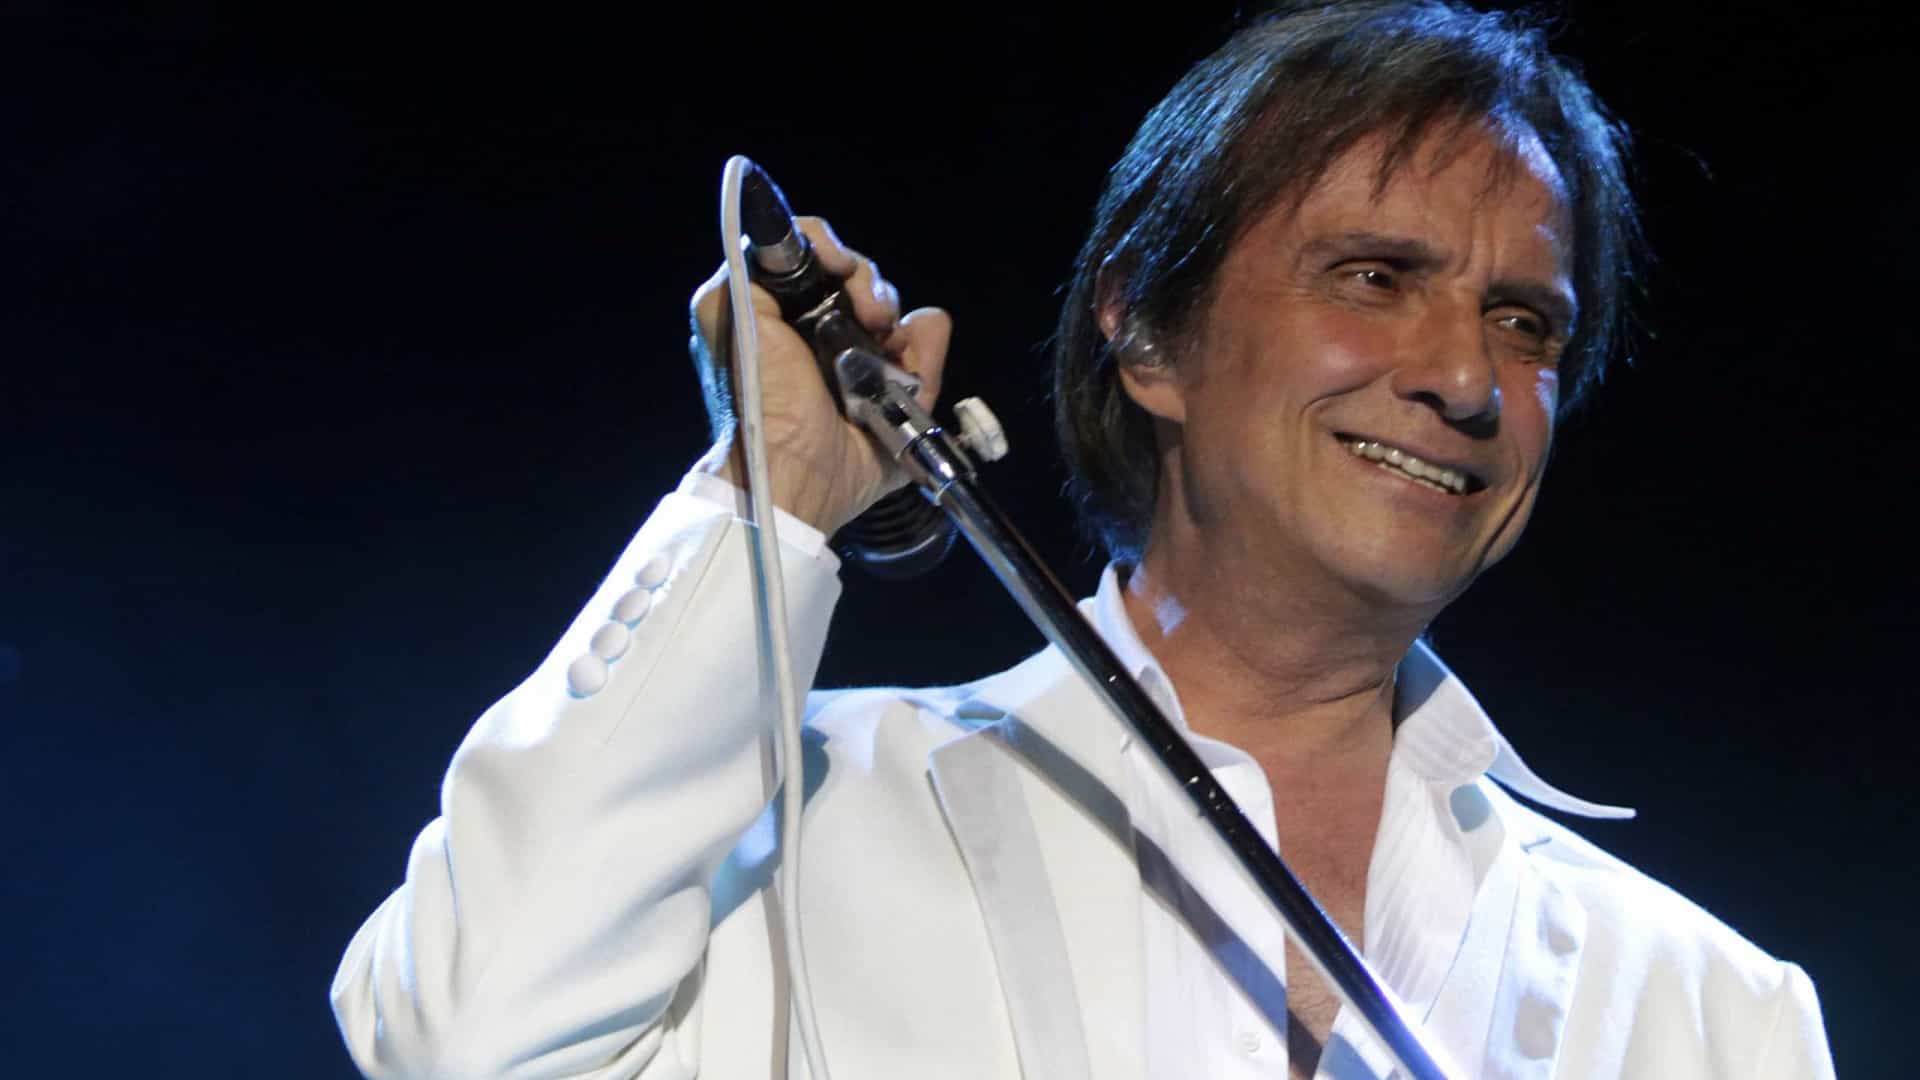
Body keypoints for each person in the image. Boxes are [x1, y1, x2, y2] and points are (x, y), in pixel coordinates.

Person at [330, 3, 1836, 1077]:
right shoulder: (784, 829)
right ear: (1146, 330)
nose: (1465, 379)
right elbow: (466, 1034)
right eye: (1376, 276)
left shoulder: (1713, 1012)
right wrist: (766, 496)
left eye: (1525, 323)